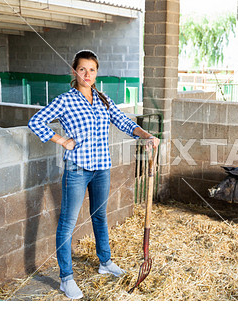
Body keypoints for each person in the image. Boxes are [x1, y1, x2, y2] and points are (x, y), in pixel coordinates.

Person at [28, 50, 160, 299]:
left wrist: (146, 135)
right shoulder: (65, 100)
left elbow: (123, 122)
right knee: (67, 223)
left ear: (96, 73)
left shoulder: (103, 99)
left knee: (99, 217)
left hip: (102, 168)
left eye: (92, 70)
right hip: (77, 169)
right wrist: (61, 140)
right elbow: (36, 122)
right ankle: (66, 279)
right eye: (82, 69)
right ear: (74, 71)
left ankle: (105, 262)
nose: (87, 74)